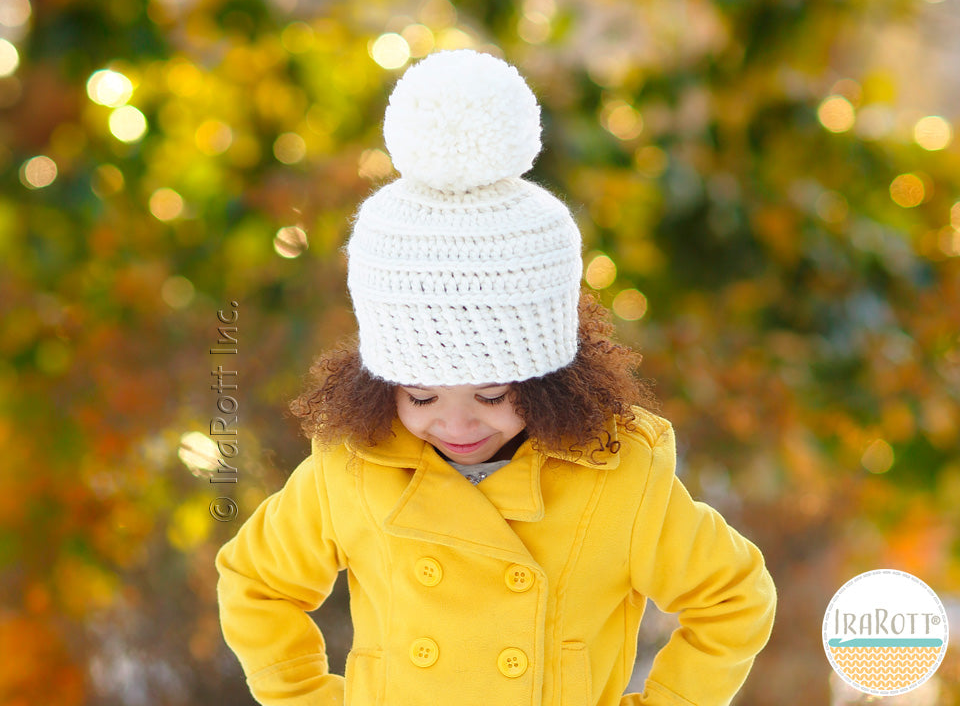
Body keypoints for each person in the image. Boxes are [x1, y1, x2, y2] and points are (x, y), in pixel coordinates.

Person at [215, 49, 776, 706]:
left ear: (548, 379)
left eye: (491, 395)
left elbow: (733, 598)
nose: (456, 423)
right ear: (381, 380)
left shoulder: (618, 482)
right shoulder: (352, 470)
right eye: (420, 395)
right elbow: (256, 584)